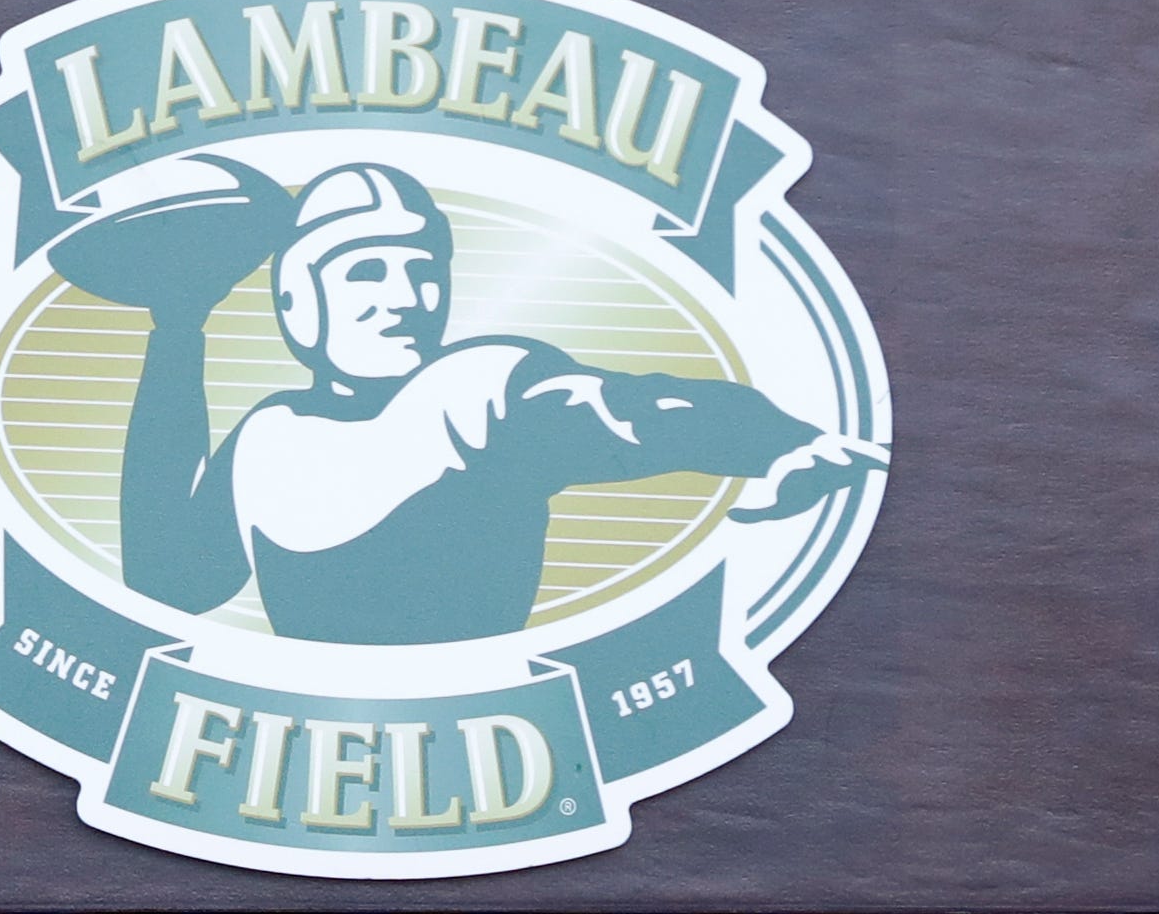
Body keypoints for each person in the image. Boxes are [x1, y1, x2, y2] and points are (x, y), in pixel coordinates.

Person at [73, 159, 875, 646]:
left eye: (421, 268)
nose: (405, 296)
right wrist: (176, 326)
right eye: (364, 271)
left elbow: (634, 410)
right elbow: (170, 580)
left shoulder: (481, 390)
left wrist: (773, 440)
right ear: (297, 301)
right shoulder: (267, 437)